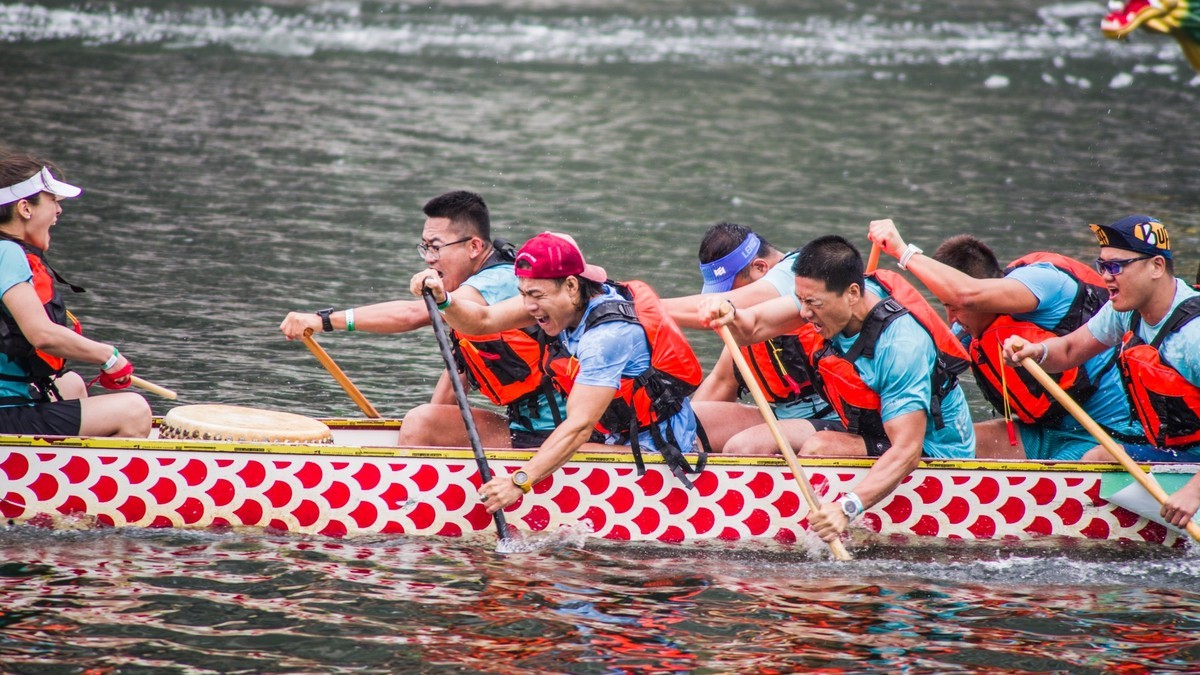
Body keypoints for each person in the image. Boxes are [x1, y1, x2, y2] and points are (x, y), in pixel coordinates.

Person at [700, 235, 975, 544]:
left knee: (820, 448)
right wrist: (729, 311)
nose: (803, 314)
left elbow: (907, 451)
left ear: (852, 294)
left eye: (812, 304)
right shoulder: (821, 297)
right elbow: (751, 326)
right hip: (869, 432)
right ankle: (757, 526)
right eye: (800, 300)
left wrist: (846, 508)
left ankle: (815, 530)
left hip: (933, 455)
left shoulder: (901, 345)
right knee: (742, 442)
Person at [410, 231, 705, 513]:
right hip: (617, 435)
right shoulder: (557, 301)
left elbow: (578, 427)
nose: (529, 306)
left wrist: (518, 482)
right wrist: (444, 300)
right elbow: (483, 320)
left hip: (656, 450)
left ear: (572, 286)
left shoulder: (606, 339)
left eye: (536, 295)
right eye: (523, 293)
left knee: (567, 445)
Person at [280, 191, 565, 449]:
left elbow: (415, 314)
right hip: (524, 430)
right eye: (424, 247)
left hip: (562, 436)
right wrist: (426, 438)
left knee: (419, 422)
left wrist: (324, 320)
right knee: (424, 422)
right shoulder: (466, 308)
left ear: (474, 247)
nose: (429, 258)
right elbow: (457, 376)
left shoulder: (502, 281)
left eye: (436, 247)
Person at [867, 218, 1140, 461]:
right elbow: (920, 375)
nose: (951, 318)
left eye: (952, 306)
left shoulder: (1044, 281)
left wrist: (903, 251)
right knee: (946, 445)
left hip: (1107, 435)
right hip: (1041, 434)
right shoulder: (968, 331)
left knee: (1079, 464)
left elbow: (967, 295)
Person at [1005, 215, 1200, 529]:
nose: (1107, 277)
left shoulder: (1193, 336)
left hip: (1194, 468)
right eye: (1102, 266)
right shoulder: (1124, 312)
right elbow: (1069, 351)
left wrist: (1193, 493)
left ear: (1156, 267)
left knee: (1097, 458)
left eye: (1117, 266)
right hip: (1170, 451)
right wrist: (1035, 352)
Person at [0, 153, 150, 437]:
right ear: (25, 208)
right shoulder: (6, 252)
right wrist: (108, 356)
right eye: (52, 200)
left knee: (72, 385)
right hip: (5, 411)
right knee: (135, 411)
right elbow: (42, 335)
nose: (58, 210)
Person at [688, 222, 843, 454]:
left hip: (842, 421)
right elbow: (721, 382)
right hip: (784, 417)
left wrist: (642, 306)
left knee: (744, 446)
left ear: (760, 268)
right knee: (681, 426)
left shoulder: (811, 286)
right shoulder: (742, 330)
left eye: (731, 293)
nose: (727, 302)